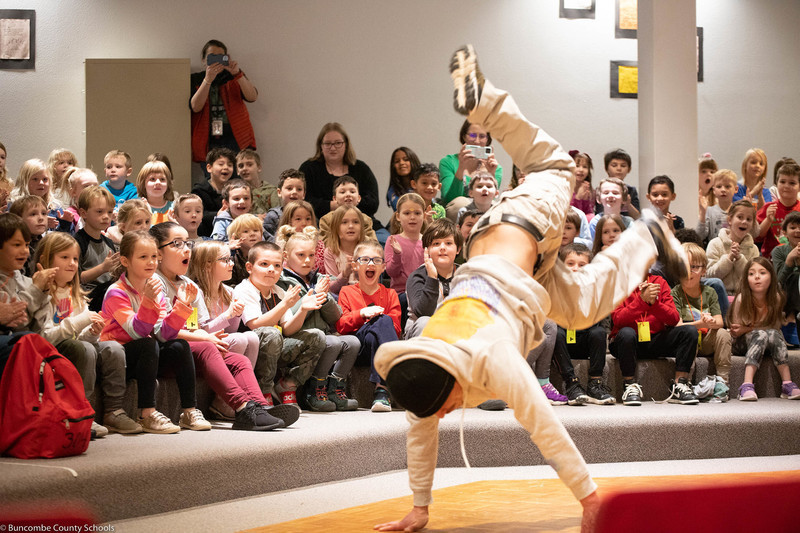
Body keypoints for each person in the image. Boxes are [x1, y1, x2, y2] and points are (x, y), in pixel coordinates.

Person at [373, 45, 688, 532]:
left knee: (556, 166)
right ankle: (646, 231)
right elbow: (421, 431)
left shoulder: (489, 359)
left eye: (451, 403)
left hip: (522, 223)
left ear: (455, 381)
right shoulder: (424, 369)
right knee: (581, 307)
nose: (449, 411)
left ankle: (483, 103)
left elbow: (544, 425)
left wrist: (588, 498)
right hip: (516, 269)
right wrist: (420, 507)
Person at [150, 222, 291, 430]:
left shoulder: (190, 285)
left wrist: (208, 334)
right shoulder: (155, 281)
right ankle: (243, 408)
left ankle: (259, 406)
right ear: (158, 253)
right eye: (177, 244)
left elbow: (198, 326)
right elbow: (161, 332)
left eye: (188, 243)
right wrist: (206, 337)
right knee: (208, 346)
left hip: (189, 350)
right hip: (164, 352)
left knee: (240, 360)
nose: (186, 249)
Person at [100, 230, 208, 434]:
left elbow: (163, 334)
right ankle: (146, 414)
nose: (151, 262)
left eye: (153, 257)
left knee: (179, 345)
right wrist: (148, 301)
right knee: (147, 344)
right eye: (143, 257)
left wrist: (182, 306)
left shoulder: (154, 289)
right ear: (125, 260)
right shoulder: (116, 292)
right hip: (119, 359)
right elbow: (137, 332)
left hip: (146, 355)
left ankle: (189, 411)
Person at [30, 232, 137, 435]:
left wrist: (92, 332)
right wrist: (80, 322)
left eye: (75, 259)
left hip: (75, 347)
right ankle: (82, 411)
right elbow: (43, 338)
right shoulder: (40, 293)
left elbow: (81, 337)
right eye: (64, 257)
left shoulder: (76, 294)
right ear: (45, 259)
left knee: (112, 347)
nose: (72, 264)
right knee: (84, 348)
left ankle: (114, 410)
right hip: (48, 353)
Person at [276, 226, 359, 411]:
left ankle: (334, 388)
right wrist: (311, 298)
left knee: (352, 342)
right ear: (286, 256)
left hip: (322, 334)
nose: (307, 260)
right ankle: (315, 389)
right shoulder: (281, 281)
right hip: (296, 337)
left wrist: (325, 296)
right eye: (301, 255)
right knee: (331, 341)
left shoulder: (319, 278)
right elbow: (287, 316)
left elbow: (335, 317)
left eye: (311, 255)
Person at [233, 241, 325, 406]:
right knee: (271, 333)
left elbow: (288, 330)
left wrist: (302, 309)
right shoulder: (244, 289)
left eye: (277, 265)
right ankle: (263, 391)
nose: (271, 269)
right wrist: (285, 305)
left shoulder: (279, 291)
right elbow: (256, 325)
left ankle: (287, 385)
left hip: (275, 346)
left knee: (317, 335)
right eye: (264, 264)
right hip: (251, 352)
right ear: (249, 267)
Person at [188, 240, 261, 419]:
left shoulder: (229, 291)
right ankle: (224, 399)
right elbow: (198, 330)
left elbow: (232, 329)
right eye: (225, 260)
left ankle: (242, 399)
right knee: (240, 339)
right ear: (207, 265)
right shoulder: (192, 292)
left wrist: (235, 315)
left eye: (230, 259)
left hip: (222, 342)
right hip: (203, 343)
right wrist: (227, 315)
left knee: (251, 337)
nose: (231, 264)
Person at [337, 240, 401, 412]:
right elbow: (341, 326)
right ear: (355, 265)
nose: (371, 264)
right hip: (359, 347)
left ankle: (381, 391)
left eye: (376, 260)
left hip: (377, 344)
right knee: (382, 321)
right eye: (365, 260)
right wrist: (362, 314)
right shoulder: (346, 292)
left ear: (383, 267)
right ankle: (386, 385)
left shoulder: (390, 293)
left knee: (383, 323)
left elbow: (395, 329)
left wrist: (378, 320)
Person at [729, 257, 800, 400]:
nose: (756, 277)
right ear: (746, 278)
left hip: (768, 339)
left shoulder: (777, 298)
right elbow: (736, 331)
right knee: (762, 334)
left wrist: (749, 327)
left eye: (762, 273)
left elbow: (775, 326)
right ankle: (746, 384)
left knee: (773, 333)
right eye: (751, 274)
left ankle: (787, 383)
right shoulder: (742, 299)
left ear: (771, 277)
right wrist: (755, 329)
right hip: (742, 343)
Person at [554, 244, 615, 405]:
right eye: (570, 264)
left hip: (585, 342)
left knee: (598, 332)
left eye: (582, 265)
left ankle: (595, 383)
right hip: (562, 345)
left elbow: (604, 323)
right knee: (555, 332)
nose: (576, 268)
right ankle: (572, 383)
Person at [672, 243, 732, 392]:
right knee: (689, 335)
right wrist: (700, 323)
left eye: (694, 267)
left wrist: (711, 322)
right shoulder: (675, 293)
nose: (688, 271)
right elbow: (677, 326)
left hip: (706, 339)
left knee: (724, 334)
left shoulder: (710, 292)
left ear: (704, 271)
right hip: (687, 342)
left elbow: (720, 322)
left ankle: (723, 382)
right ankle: (685, 383)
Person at [190, 39, 257, 165]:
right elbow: (195, 107)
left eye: (220, 57)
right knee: (212, 178)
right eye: (212, 57)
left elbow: (252, 97)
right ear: (204, 60)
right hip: (208, 140)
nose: (216, 61)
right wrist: (208, 80)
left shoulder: (234, 76)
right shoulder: (197, 79)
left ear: (226, 58)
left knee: (238, 178)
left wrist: (237, 74)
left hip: (235, 138)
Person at [299, 122, 379, 220]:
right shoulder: (308, 169)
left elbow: (373, 203)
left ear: (346, 144)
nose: (333, 148)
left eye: (338, 143)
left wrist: (345, 205)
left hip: (363, 222)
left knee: (385, 236)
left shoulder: (361, 168)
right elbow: (303, 201)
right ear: (321, 146)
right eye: (328, 144)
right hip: (322, 224)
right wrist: (336, 205)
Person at [404, 220, 461, 340]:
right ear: (427, 249)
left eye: (448, 243)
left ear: (458, 249)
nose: (442, 248)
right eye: (436, 243)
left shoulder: (466, 275)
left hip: (455, 333)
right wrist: (432, 278)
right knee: (425, 322)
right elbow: (423, 312)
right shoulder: (417, 276)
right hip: (419, 335)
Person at [75, 186, 118, 312]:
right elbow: (76, 278)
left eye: (109, 212)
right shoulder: (77, 242)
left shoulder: (109, 242)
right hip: (88, 298)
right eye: (99, 212)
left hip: (108, 293)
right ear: (83, 213)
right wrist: (103, 268)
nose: (106, 217)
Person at [706, 199, 759, 296]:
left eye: (749, 219)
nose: (744, 222)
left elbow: (754, 277)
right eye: (740, 217)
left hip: (744, 297)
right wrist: (729, 258)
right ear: (730, 220)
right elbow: (709, 275)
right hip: (719, 296)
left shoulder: (753, 249)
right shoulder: (715, 244)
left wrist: (739, 258)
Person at [756, 162, 800, 258]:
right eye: (782, 182)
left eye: (792, 183)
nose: (786, 186)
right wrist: (768, 220)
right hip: (770, 260)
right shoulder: (768, 208)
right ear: (776, 184)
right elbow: (757, 236)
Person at [322, 205, 369, 295]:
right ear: (335, 228)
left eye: (356, 222)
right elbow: (331, 289)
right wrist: (345, 274)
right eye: (344, 222)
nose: (351, 226)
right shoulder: (331, 252)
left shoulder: (368, 250)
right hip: (341, 300)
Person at [318, 175, 378, 243]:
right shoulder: (326, 220)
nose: (348, 194)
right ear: (334, 199)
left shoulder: (366, 220)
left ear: (359, 198)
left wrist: (358, 237)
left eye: (352, 192)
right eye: (342, 192)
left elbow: (373, 244)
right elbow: (323, 243)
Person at [192, 147, 235, 238]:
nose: (226, 167)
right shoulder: (199, 190)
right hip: (206, 235)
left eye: (230, 165)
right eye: (221, 164)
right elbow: (197, 214)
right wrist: (217, 214)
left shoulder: (234, 190)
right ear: (209, 168)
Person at [696, 169, 737, 246]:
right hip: (715, 252)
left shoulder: (738, 211)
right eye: (719, 186)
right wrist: (702, 213)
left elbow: (755, 233)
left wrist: (750, 212)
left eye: (727, 186)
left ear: (736, 189)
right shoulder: (709, 211)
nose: (723, 190)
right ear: (714, 190)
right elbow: (700, 236)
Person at [262, 169, 307, 241]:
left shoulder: (308, 215)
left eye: (299, 189)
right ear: (279, 192)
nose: (294, 192)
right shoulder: (273, 216)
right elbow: (268, 242)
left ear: (304, 194)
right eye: (289, 188)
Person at [595, 149, 640, 220]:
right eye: (614, 165)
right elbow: (599, 213)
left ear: (629, 169)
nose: (619, 168)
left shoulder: (631, 190)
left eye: (623, 165)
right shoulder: (601, 189)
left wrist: (628, 204)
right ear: (606, 168)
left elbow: (637, 217)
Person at [236, 149, 279, 215]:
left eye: (249, 165)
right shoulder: (237, 193)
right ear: (237, 171)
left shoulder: (272, 190)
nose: (244, 168)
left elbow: (277, 213)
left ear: (259, 167)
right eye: (241, 166)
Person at [136, 160, 175, 225]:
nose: (158, 183)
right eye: (152, 179)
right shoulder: (137, 208)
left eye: (162, 179)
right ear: (143, 183)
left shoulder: (175, 208)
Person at [387, 147, 420, 211]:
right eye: (397, 161)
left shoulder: (423, 185)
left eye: (406, 159)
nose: (401, 163)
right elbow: (403, 209)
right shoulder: (393, 190)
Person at [569, 151, 594, 217]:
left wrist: (585, 201)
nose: (581, 170)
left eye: (585, 167)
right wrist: (578, 198)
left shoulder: (587, 189)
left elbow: (588, 214)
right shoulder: (565, 188)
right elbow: (571, 215)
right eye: (577, 166)